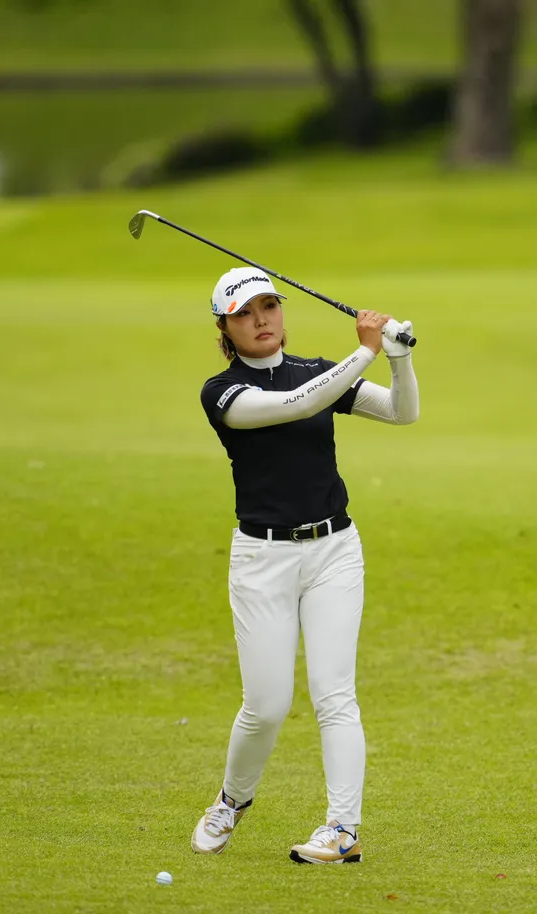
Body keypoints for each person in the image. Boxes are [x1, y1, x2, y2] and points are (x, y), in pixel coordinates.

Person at [190, 266, 419, 864]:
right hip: (261, 559)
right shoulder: (223, 393)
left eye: (269, 306)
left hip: (334, 551)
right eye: (244, 314)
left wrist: (398, 358)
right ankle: (232, 800)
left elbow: (402, 412)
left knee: (334, 694)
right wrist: (366, 351)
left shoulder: (317, 370)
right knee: (266, 706)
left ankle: (342, 829)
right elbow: (296, 405)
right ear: (225, 329)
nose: (260, 320)